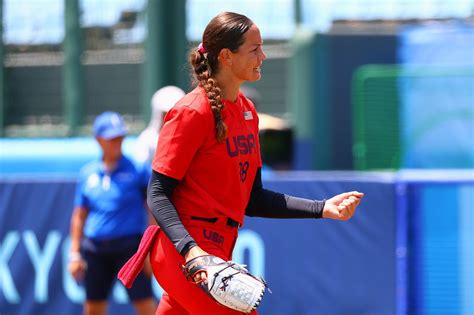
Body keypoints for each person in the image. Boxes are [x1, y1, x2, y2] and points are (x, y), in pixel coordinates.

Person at [146, 12, 364, 314]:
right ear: (226, 56)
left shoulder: (247, 111)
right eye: (254, 49)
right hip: (186, 252)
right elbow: (157, 192)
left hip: (216, 248)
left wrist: (322, 207)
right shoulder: (192, 112)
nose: (263, 56)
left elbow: (253, 198)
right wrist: (191, 250)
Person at [68, 111, 156, 315]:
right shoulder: (88, 173)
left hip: (131, 250)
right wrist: (74, 254)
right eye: (111, 138)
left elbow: (152, 209)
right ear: (99, 140)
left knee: (145, 306)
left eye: (120, 138)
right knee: (93, 308)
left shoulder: (138, 170)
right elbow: (79, 216)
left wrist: (151, 251)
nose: (117, 142)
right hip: (95, 251)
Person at [135, 86, 186, 165]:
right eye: (166, 114)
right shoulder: (147, 140)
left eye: (176, 114)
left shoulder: (188, 138)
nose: (172, 118)